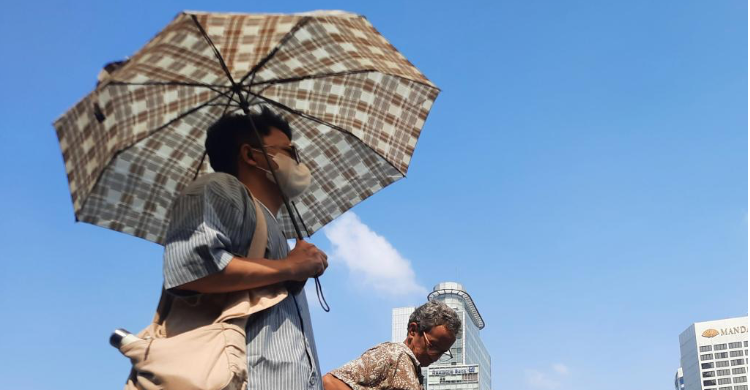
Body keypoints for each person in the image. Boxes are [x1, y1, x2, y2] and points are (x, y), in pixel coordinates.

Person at [162, 108, 329, 390]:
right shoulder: (221, 188)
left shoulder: (271, 225)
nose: (298, 162)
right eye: (289, 152)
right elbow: (190, 268)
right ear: (252, 155)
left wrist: (292, 273)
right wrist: (291, 267)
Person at [322, 300, 461, 390]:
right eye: (433, 346)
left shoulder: (414, 372)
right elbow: (328, 383)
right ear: (413, 331)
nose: (435, 356)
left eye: (442, 352)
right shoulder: (392, 355)